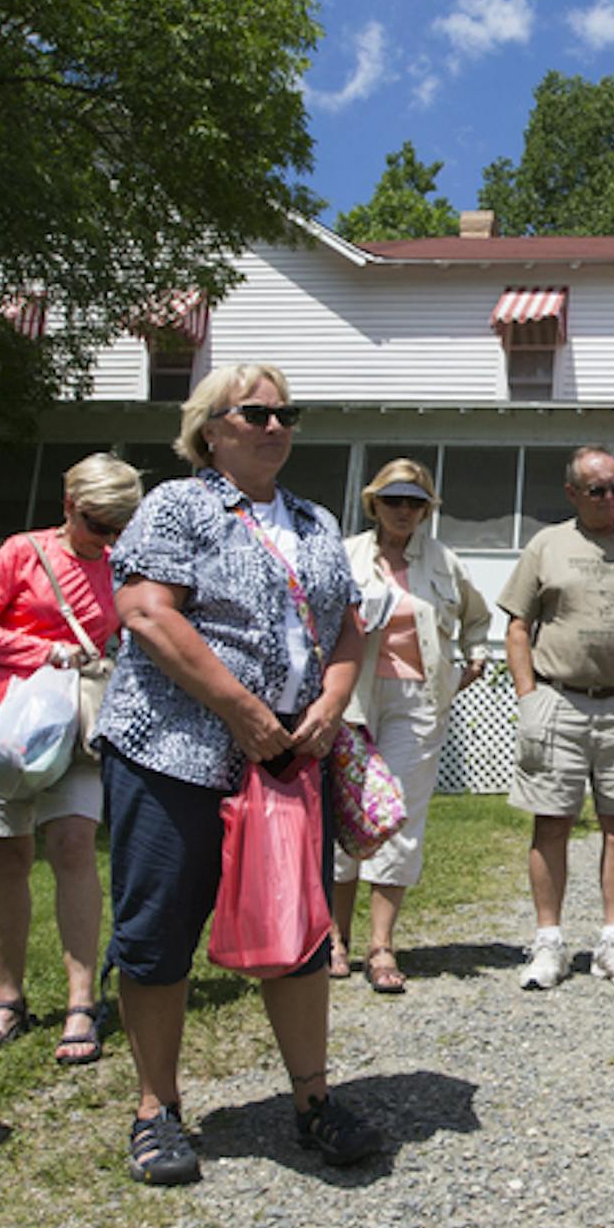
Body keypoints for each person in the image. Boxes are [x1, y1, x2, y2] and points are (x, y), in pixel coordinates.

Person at [96, 363, 381, 1183]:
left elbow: (348, 625)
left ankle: (313, 1100)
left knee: (299, 930)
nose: (275, 425)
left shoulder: (315, 518)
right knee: (159, 928)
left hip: (288, 762)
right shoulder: (178, 506)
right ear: (210, 428)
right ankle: (157, 1110)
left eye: (287, 412)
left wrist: (330, 700)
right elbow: (148, 611)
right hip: (174, 751)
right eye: (255, 412)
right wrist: (242, 711)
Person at [0, 453, 143, 1068]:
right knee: (9, 854)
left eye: (117, 526)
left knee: (75, 848)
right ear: (67, 505)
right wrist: (41, 651)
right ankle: (10, 1000)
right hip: (3, 731)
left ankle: (83, 1000)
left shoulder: (121, 567)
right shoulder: (21, 553)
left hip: (78, 729)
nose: (105, 537)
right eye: (95, 522)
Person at [497, 445, 614, 992]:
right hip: (558, 701)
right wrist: (529, 699)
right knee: (552, 822)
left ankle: (613, 942)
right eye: (598, 489)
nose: (611, 498)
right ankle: (549, 942)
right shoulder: (547, 544)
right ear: (572, 493)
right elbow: (518, 626)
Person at [327, 458, 491, 993]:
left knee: (397, 814)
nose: (403, 511)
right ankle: (334, 940)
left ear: (427, 509)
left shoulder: (444, 560)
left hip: (418, 699)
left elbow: (476, 617)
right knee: (346, 813)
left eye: (414, 502)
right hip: (351, 696)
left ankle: (381, 945)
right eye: (393, 500)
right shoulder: (345, 554)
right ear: (374, 503)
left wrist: (473, 657)